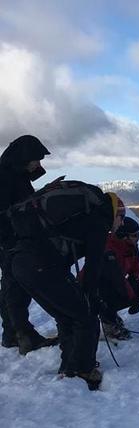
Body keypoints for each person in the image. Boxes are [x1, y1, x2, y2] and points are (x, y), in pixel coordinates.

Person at [10, 181, 125, 390]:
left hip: (21, 263)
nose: (121, 224)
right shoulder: (99, 221)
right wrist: (91, 297)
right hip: (41, 265)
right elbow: (93, 264)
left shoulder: (86, 214)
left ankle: (70, 368)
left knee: (67, 315)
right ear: (115, 213)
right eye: (122, 218)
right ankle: (82, 370)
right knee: (86, 316)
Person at [0, 135, 58, 353]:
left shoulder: (15, 176)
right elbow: (7, 210)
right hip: (9, 240)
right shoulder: (5, 178)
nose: (38, 164)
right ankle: (22, 334)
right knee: (14, 287)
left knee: (11, 285)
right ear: (23, 158)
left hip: (13, 238)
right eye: (36, 160)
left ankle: (13, 333)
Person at [88, 216, 139, 341]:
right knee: (107, 294)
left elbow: (138, 269)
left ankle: (110, 313)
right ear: (123, 236)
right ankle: (109, 324)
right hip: (92, 288)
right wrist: (133, 299)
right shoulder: (108, 250)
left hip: (114, 284)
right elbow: (117, 279)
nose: (138, 238)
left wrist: (134, 281)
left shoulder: (130, 247)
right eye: (135, 235)